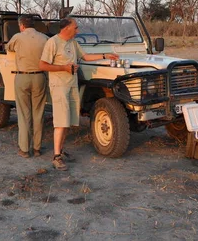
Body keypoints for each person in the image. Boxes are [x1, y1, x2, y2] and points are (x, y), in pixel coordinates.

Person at [39, 17, 119, 170]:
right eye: (76, 27)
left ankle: (61, 150)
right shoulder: (53, 42)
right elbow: (42, 65)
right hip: (59, 86)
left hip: (72, 85)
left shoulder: (72, 43)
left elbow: (86, 57)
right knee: (61, 121)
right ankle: (56, 157)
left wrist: (106, 56)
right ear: (66, 28)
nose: (78, 30)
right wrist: (63, 68)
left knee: (68, 120)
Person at [6, 15, 49, 158]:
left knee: (24, 114)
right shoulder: (44, 38)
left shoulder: (18, 37)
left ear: (22, 25)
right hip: (40, 77)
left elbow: (8, 47)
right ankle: (37, 148)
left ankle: (24, 149)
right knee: (39, 112)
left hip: (22, 76)